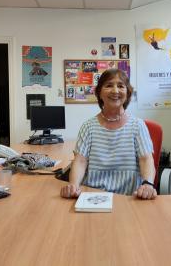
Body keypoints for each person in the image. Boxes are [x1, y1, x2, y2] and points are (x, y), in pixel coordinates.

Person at [60, 69, 157, 200]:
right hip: (93, 196)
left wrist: (148, 184)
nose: (115, 91)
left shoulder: (138, 126)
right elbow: (80, 161)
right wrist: (73, 186)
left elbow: (146, 159)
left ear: (127, 93)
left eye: (121, 86)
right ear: (99, 92)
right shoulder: (88, 127)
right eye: (109, 85)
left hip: (129, 197)